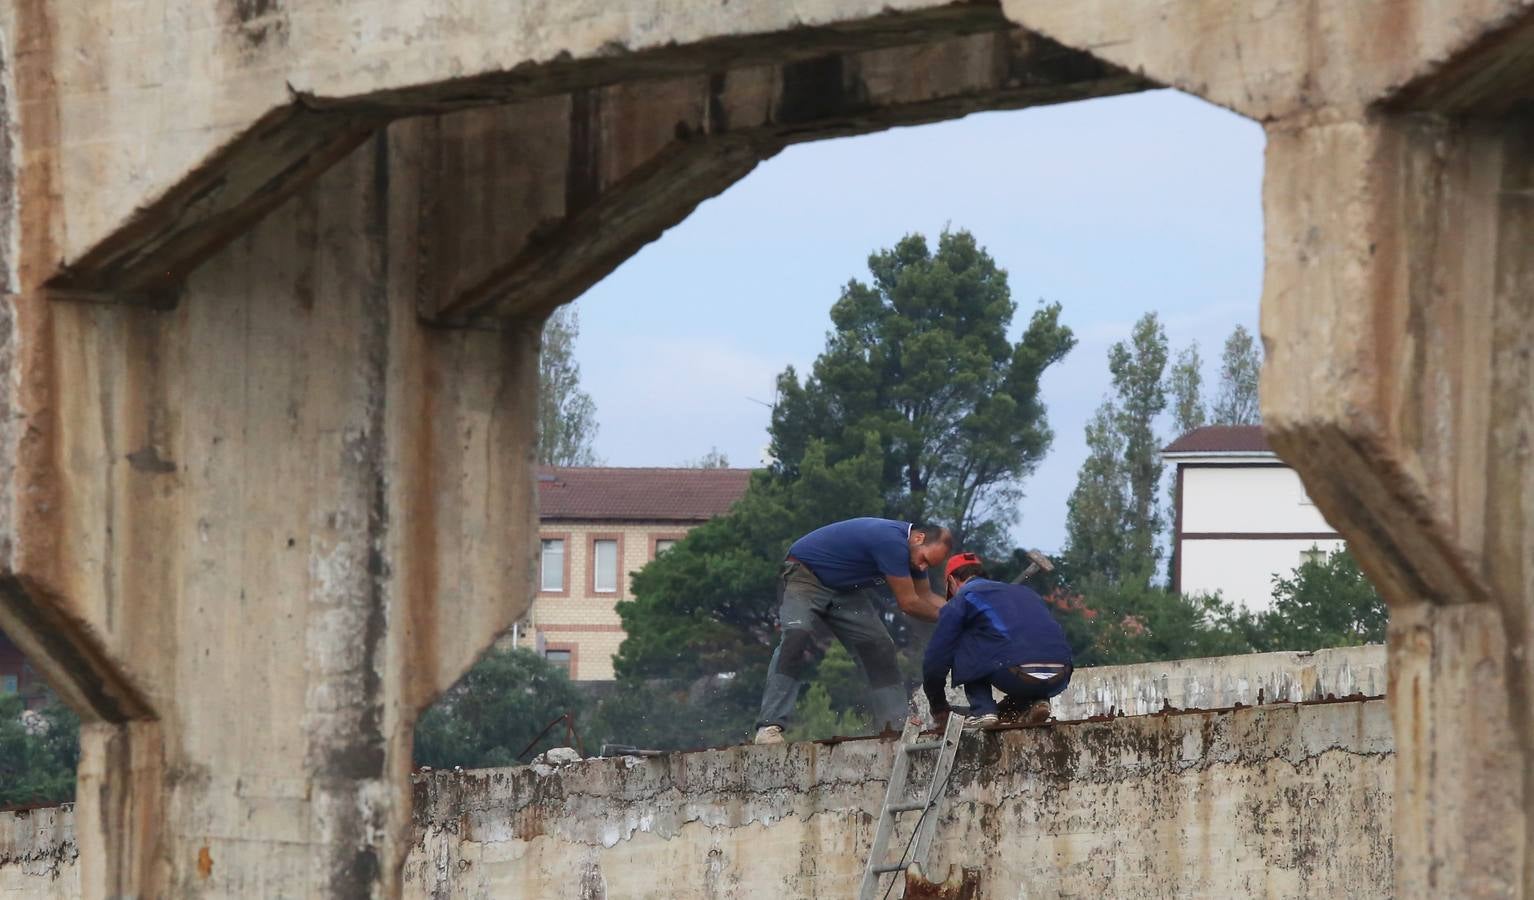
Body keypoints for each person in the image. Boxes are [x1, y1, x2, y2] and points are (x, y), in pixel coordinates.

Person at [753, 518, 952, 745]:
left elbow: (925, 596)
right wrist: (954, 618)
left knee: (879, 646)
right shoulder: (891, 542)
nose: (922, 567)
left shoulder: (913, 554)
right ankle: (769, 726)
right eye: (924, 560)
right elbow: (909, 603)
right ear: (918, 538)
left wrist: (960, 612)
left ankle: (894, 728)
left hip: (844, 590)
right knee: (796, 636)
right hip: (805, 574)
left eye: (929, 566)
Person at [923, 552, 1073, 730]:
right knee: (1025, 643)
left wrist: (938, 704)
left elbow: (936, 657)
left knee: (962, 634)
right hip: (1060, 675)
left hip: (1014, 673)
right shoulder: (1027, 594)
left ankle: (982, 710)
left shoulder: (963, 598)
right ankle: (1034, 702)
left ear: (952, 581)